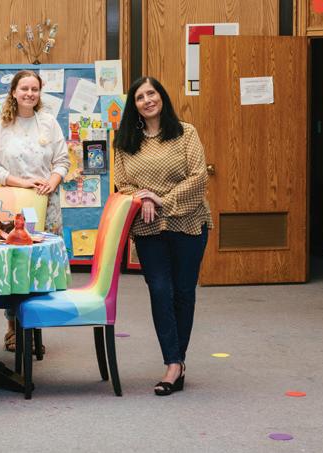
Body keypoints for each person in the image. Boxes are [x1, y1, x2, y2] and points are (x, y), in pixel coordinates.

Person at [113, 76, 212, 396]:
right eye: (140, 97)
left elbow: (198, 177)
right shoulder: (125, 141)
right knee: (159, 291)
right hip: (148, 227)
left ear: (162, 97)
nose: (147, 100)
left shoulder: (185, 133)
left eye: (151, 93)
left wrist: (161, 201)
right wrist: (142, 198)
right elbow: (122, 183)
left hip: (189, 223)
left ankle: (176, 363)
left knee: (183, 292)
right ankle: (173, 362)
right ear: (134, 106)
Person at [0, 70, 70, 352]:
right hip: (13, 204)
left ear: (39, 93)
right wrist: (22, 183)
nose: (29, 94)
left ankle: (33, 327)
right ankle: (12, 327)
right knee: (14, 267)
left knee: (39, 266)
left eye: (34, 89)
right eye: (24, 89)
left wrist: (52, 180)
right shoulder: (0, 124)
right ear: (14, 92)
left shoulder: (49, 123)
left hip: (45, 204)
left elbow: (62, 161)